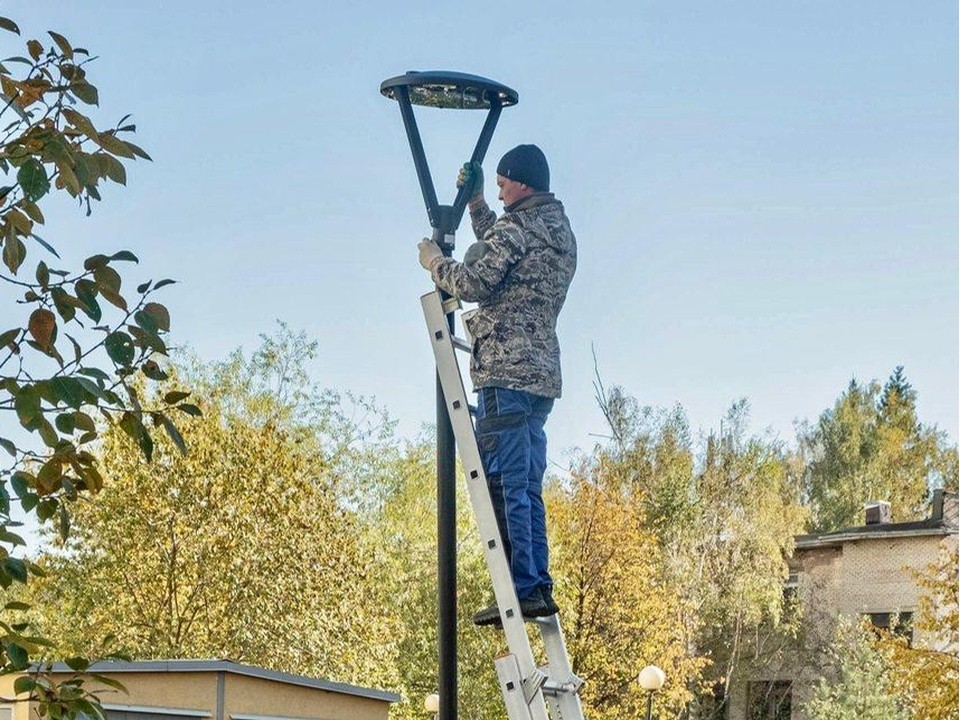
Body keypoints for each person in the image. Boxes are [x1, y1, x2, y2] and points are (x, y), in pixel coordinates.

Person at [417, 144, 577, 626]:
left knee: (505, 481)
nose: (502, 190)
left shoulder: (518, 227)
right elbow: (506, 252)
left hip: (504, 369)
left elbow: (480, 281)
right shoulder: (557, 230)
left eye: (505, 183)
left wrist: (433, 264)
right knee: (526, 482)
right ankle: (536, 584)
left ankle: (522, 588)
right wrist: (478, 204)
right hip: (540, 374)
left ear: (522, 182)